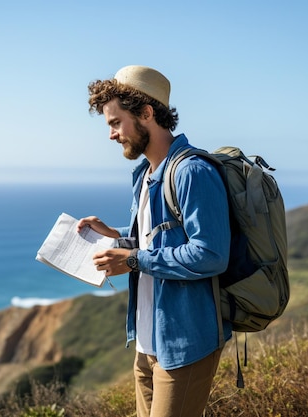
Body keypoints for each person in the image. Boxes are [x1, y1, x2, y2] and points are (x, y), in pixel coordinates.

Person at [77, 65, 232, 417]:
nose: (112, 135)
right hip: (147, 344)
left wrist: (132, 260)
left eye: (116, 123)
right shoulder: (145, 176)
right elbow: (159, 240)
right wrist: (118, 238)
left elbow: (210, 253)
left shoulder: (192, 171)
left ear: (147, 113)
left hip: (185, 345)